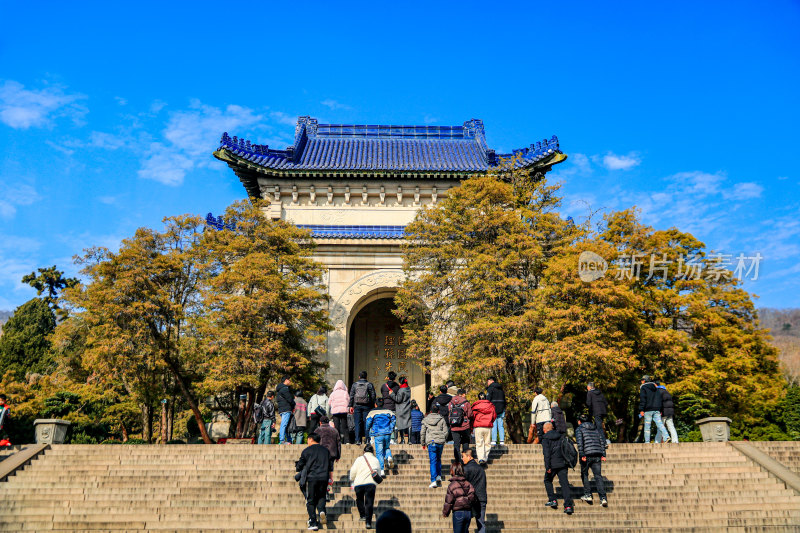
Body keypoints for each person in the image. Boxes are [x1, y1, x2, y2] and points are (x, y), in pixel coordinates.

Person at [295, 432, 330, 530]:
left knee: (310, 500)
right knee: (322, 496)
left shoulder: (307, 451)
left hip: (312, 477)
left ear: (310, 439)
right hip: (324, 477)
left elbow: (300, 465)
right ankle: (322, 510)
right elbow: (330, 466)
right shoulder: (326, 451)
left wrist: (298, 466)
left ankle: (313, 522)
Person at [541, 422, 574, 514]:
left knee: (547, 480)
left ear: (544, 430)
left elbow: (546, 454)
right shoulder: (561, 436)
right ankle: (568, 506)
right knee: (564, 484)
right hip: (563, 463)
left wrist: (548, 466)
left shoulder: (545, 438)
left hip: (552, 464)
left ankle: (553, 500)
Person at [575, 414, 608, 507]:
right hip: (597, 454)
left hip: (587, 454)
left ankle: (588, 494)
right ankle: (603, 498)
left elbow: (580, 443)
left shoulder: (579, 429)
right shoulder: (595, 428)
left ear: (579, 421)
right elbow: (601, 441)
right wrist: (603, 454)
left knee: (584, 474)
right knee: (598, 476)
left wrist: (582, 454)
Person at [349, 443, 381, 529]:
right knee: (369, 502)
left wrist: (352, 478)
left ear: (364, 451)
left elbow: (353, 471)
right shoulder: (376, 460)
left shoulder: (359, 459)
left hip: (359, 483)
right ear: (372, 451)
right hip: (370, 484)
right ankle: (368, 523)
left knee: (359, 499)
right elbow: (379, 473)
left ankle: (362, 515)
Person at [442, 459, 476, 533]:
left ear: (453, 471)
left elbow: (449, 501)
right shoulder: (468, 483)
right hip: (468, 512)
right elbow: (472, 497)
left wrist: (445, 513)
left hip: (458, 512)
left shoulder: (452, 485)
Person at [366, 398, 396, 476]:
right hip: (387, 433)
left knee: (379, 452)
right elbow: (394, 419)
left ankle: (381, 470)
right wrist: (391, 428)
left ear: (376, 404)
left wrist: (368, 430)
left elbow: (368, 422)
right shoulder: (389, 411)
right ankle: (389, 456)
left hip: (378, 433)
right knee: (386, 447)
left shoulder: (372, 412)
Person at [421, 403, 448, 488]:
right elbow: (446, 431)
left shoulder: (426, 419)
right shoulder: (441, 419)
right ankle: (439, 476)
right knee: (438, 459)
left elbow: (422, 432)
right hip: (440, 441)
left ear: (431, 411)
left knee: (433, 461)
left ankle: (433, 480)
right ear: (438, 411)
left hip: (431, 441)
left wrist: (423, 443)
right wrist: (443, 438)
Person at [462, 449, 488, 533]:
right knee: (481, 523)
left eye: (463, 456)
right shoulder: (481, 469)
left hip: (470, 499)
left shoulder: (466, 469)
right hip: (481, 498)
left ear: (469, 456)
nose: (462, 459)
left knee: (465, 523)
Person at [349, 371, 377, 445]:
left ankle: (358, 440)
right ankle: (367, 439)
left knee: (357, 423)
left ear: (359, 377)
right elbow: (373, 395)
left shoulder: (355, 385)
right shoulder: (369, 384)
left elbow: (351, 396)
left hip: (357, 406)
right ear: (366, 377)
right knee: (366, 423)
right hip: (367, 406)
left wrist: (350, 406)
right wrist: (372, 404)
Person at [639, 375, 668, 443]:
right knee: (660, 424)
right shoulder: (656, 388)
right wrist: (660, 409)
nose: (641, 382)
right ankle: (666, 436)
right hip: (656, 409)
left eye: (641, 380)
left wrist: (641, 409)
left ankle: (647, 442)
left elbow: (643, 399)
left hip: (648, 409)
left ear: (644, 381)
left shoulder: (643, 387)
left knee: (647, 427)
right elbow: (659, 399)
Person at [470, 392, 496, 464]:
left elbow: (472, 417)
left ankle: (481, 458)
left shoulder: (475, 406)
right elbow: (494, 416)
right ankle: (485, 457)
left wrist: (471, 427)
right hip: (488, 426)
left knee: (479, 443)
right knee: (487, 443)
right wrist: (490, 421)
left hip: (478, 426)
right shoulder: (491, 405)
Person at [448, 389, 472, 463]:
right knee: (465, 442)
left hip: (454, 426)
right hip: (464, 426)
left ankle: (458, 460)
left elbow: (449, 411)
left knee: (456, 444)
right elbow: (469, 414)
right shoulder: (466, 402)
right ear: (463, 394)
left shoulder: (451, 402)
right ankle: (466, 459)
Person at [328, 379, 351, 444]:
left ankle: (337, 441)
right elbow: (349, 401)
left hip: (335, 412)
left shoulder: (333, 393)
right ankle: (347, 441)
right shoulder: (345, 393)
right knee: (345, 426)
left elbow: (329, 403)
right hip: (343, 411)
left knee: (336, 427)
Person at [486, 377, 506, 446]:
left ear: (491, 381)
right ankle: (502, 440)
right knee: (501, 425)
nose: (487, 383)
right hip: (501, 409)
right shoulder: (501, 389)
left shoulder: (490, 389)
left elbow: (488, 399)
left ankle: (494, 440)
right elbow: (504, 399)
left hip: (493, 409)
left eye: (488, 381)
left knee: (494, 425)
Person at [391, 376, 412, 444]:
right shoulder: (408, 389)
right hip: (407, 408)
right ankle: (409, 440)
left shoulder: (401, 390)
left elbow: (398, 399)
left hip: (401, 409)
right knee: (408, 424)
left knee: (401, 424)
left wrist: (392, 394)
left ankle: (402, 440)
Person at [276, 376, 295, 445]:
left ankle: (288, 439)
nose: (290, 382)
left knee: (286, 425)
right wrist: (294, 405)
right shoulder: (284, 389)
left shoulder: (280, 389)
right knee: (284, 424)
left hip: (282, 409)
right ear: (286, 380)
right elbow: (290, 399)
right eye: (289, 380)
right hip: (286, 409)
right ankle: (282, 440)